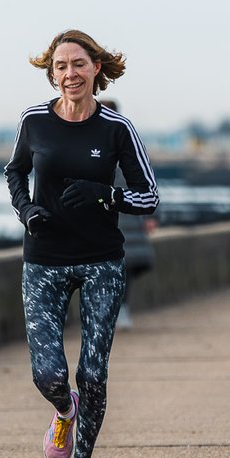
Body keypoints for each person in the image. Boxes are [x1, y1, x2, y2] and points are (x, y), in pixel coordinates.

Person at [4, 29, 159, 458]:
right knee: (49, 375)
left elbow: (148, 195)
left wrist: (106, 195)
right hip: (45, 260)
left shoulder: (117, 129)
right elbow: (15, 172)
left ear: (96, 68)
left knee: (93, 374)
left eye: (78, 64)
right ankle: (63, 411)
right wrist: (27, 211)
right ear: (52, 74)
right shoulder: (34, 121)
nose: (69, 74)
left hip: (101, 263)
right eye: (60, 67)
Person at [99, 99, 156, 331]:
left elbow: (146, 183)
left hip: (123, 218)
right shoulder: (127, 144)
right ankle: (117, 312)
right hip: (120, 218)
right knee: (117, 271)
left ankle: (117, 312)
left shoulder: (123, 146)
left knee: (119, 270)